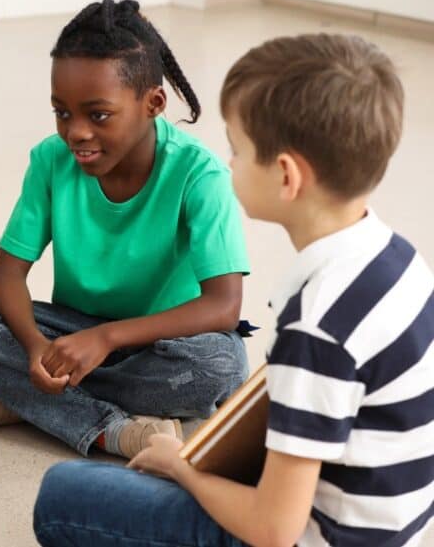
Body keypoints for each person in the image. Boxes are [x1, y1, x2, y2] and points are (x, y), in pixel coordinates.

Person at [34, 32, 432, 547]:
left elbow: (273, 529)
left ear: (286, 176)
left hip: (318, 535)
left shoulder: (317, 325)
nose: (228, 164)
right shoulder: (400, 259)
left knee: (63, 495)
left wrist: (185, 470)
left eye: (238, 150)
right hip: (392, 528)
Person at [0, 0, 250, 458]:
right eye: (62, 113)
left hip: (160, 343)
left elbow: (224, 306)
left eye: (98, 115)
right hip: (70, 334)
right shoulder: (50, 161)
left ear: (153, 103)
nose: (76, 131)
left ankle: (22, 397)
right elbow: (6, 277)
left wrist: (106, 339)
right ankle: (109, 427)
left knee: (218, 366)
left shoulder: (201, 175)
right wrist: (37, 347)